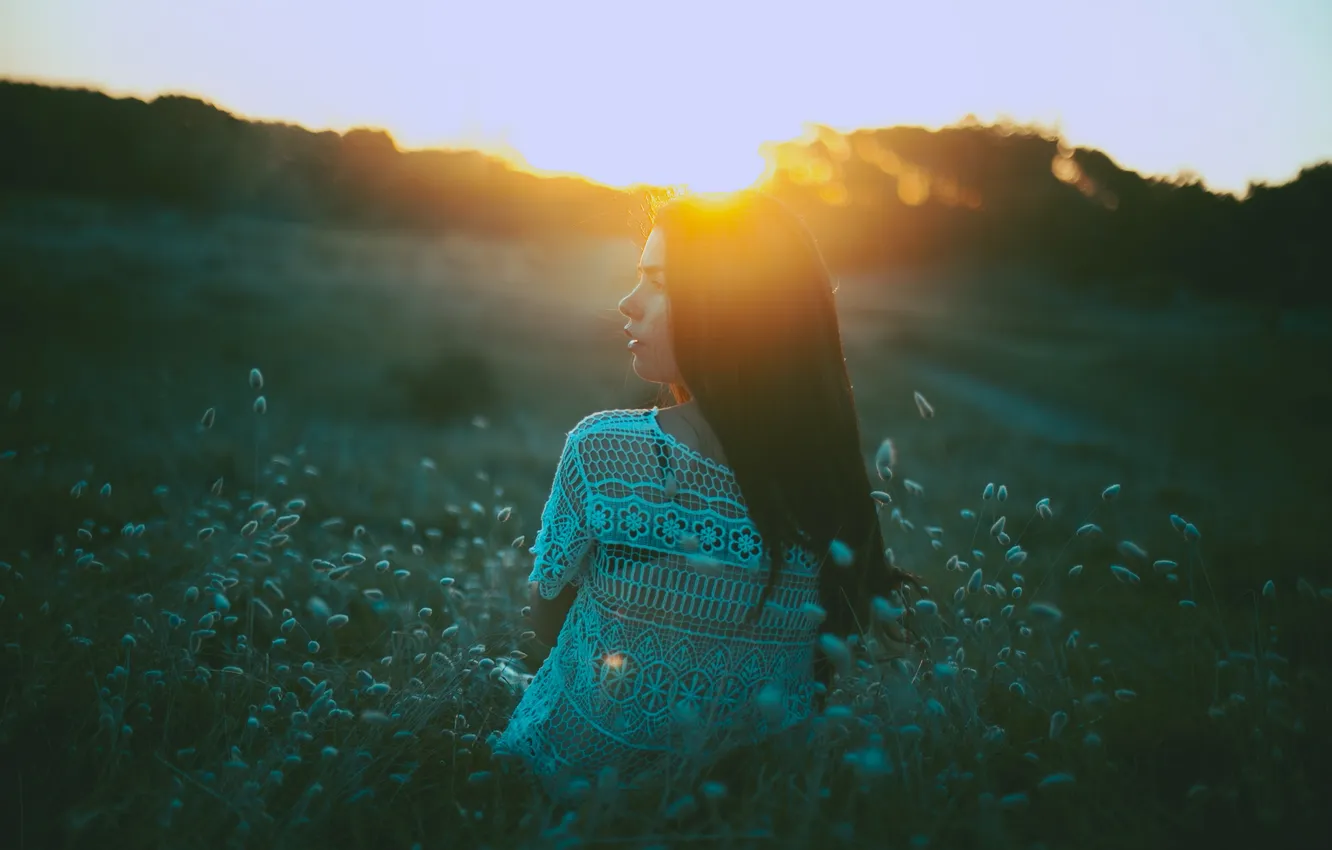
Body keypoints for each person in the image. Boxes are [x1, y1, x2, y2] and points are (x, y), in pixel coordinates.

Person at [492, 189, 920, 797]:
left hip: (571, 785)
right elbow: (823, 668)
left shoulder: (602, 449)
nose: (627, 302)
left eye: (656, 282)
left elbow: (544, 621)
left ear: (730, 307)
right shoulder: (829, 481)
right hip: (750, 803)